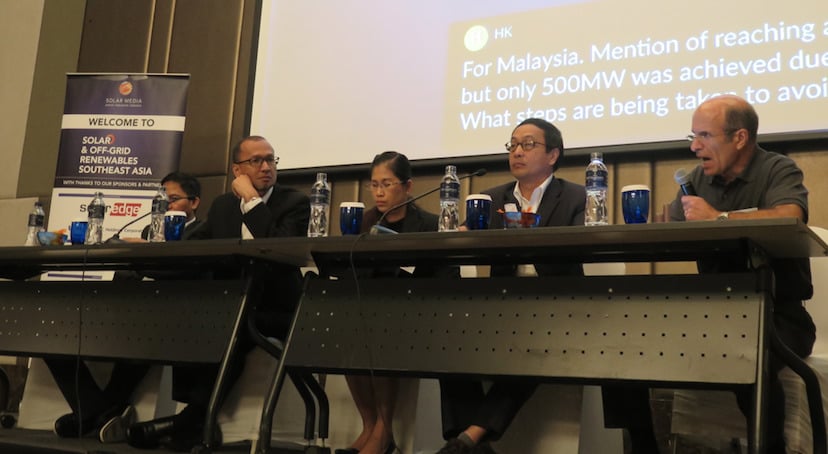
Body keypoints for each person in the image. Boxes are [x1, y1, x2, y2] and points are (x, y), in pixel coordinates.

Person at [602, 95, 815, 454]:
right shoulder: (697, 179)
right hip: (711, 312)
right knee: (625, 346)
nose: (694, 146)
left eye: (704, 135)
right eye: (693, 135)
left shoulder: (778, 169)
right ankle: (644, 446)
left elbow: (790, 215)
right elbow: (671, 229)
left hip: (780, 315)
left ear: (740, 138)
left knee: (751, 357)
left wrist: (719, 218)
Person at [125, 135, 310, 451]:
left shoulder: (295, 203)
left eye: (271, 160)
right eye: (257, 161)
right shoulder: (224, 205)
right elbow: (196, 251)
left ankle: (190, 421)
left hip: (275, 309)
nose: (266, 167)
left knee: (237, 328)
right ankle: (195, 421)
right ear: (237, 169)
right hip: (230, 303)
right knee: (189, 314)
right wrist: (148, 257)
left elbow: (278, 249)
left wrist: (251, 200)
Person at [437, 118, 586, 454]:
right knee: (446, 333)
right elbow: (465, 242)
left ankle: (469, 438)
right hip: (499, 304)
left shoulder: (576, 197)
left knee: (532, 336)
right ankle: (470, 440)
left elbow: (582, 248)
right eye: (513, 145)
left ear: (552, 155)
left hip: (556, 305)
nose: (517, 151)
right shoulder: (491, 198)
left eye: (528, 144)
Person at [43, 172, 204, 443]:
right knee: (53, 338)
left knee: (141, 339)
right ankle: (99, 412)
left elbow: (186, 273)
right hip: (130, 308)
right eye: (160, 201)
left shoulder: (203, 232)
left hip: (171, 315)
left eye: (172, 200)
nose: (164, 207)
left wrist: (145, 253)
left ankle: (90, 415)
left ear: (194, 203)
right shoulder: (147, 230)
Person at [335, 151, 458, 454]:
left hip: (413, 315)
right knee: (350, 332)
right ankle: (369, 425)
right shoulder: (362, 224)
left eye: (387, 184)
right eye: (374, 184)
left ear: (408, 186)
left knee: (379, 332)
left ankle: (384, 430)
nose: (378, 192)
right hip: (369, 311)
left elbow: (445, 277)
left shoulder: (428, 225)